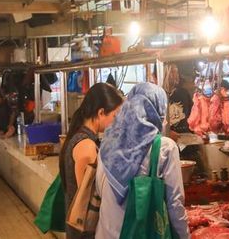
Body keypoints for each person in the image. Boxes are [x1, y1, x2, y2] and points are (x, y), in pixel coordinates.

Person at [94, 82, 189, 239]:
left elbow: (99, 189)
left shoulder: (108, 142)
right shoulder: (165, 147)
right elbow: (175, 205)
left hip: (105, 233)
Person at [59, 83, 125, 239]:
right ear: (101, 112)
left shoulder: (78, 136)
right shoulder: (87, 146)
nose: (117, 122)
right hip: (85, 232)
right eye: (115, 116)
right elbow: (90, 198)